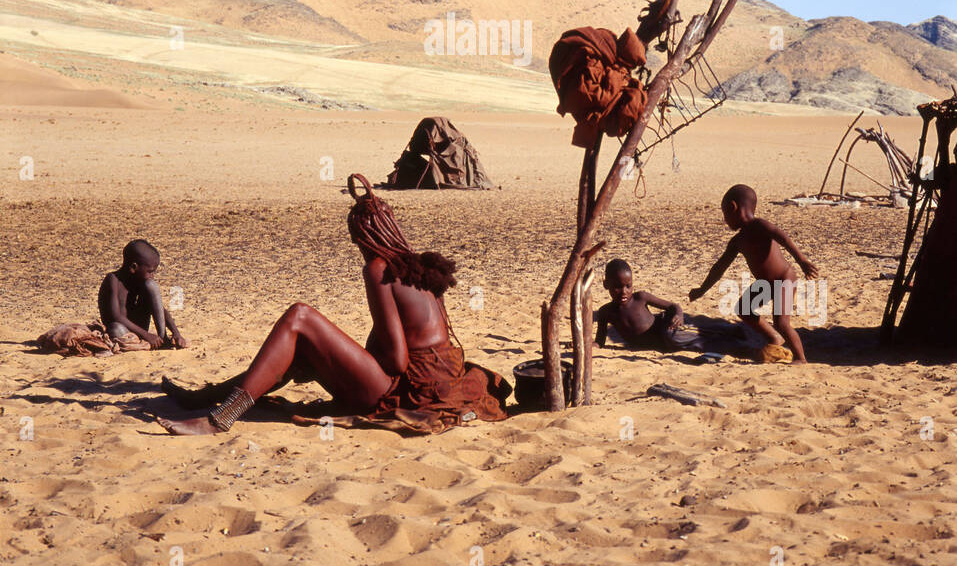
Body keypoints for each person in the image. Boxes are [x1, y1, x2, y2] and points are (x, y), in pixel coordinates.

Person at [158, 175, 510, 435]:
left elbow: (398, 360)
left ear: (364, 239)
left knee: (300, 316)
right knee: (297, 353)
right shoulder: (421, 266)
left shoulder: (378, 268)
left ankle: (221, 418)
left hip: (406, 393)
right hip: (436, 383)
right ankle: (204, 400)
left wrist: (346, 360)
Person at [688, 184, 817, 364]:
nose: (725, 220)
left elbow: (783, 237)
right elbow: (719, 268)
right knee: (744, 309)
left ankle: (800, 358)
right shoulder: (737, 241)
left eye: (725, 215)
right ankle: (775, 338)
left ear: (733, 208)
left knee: (782, 323)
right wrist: (702, 289)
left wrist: (801, 261)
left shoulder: (760, 225)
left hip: (784, 278)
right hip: (765, 283)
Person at [594, 258, 702, 351]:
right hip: (660, 344)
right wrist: (592, 346)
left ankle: (708, 339)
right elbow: (600, 341)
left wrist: (678, 315)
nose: (624, 292)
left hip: (665, 327)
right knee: (673, 340)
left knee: (673, 336)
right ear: (606, 284)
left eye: (628, 286)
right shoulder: (605, 312)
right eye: (617, 286)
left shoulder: (640, 298)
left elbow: (674, 306)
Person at [98, 240, 187, 350]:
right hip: (122, 331)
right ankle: (145, 341)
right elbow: (116, 316)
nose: (152, 275)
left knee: (151, 285)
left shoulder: (140, 281)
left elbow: (159, 308)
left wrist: (176, 332)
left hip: (140, 328)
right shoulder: (112, 280)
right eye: (150, 272)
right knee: (116, 328)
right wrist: (146, 335)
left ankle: (162, 337)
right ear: (134, 267)